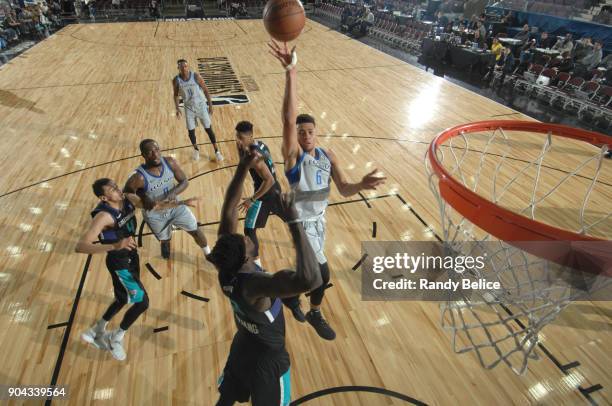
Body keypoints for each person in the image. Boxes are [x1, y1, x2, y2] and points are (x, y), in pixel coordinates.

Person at [269, 40, 386, 340]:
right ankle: (314, 311)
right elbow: (286, 117)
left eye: (310, 132)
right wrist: (291, 71)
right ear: (295, 136)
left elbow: (345, 188)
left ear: (316, 133)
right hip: (299, 223)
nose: (306, 136)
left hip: (320, 222)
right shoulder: (295, 157)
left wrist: (362, 183)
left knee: (307, 276)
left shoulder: (328, 155)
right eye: (301, 132)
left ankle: (291, 297)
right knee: (321, 275)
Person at [208, 149, 323, 406]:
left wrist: (242, 167)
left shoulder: (226, 268)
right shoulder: (254, 285)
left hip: (243, 344)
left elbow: (229, 207)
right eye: (246, 241)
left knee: (227, 397)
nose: (247, 237)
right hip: (268, 360)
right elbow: (310, 280)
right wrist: (294, 222)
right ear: (246, 258)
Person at [76, 178, 197, 360]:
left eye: (116, 185)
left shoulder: (129, 199)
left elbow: (155, 206)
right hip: (119, 261)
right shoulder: (104, 217)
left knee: (122, 298)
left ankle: (97, 329)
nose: (117, 189)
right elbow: (81, 246)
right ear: (103, 197)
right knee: (142, 302)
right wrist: (114, 246)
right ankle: (116, 338)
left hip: (131, 257)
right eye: (112, 189)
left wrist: (182, 203)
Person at [124, 139, 212, 259]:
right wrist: (142, 198)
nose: (155, 155)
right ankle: (165, 244)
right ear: (143, 155)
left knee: (195, 230)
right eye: (150, 152)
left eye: (157, 150)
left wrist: (173, 192)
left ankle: (208, 253)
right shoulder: (138, 177)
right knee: (165, 239)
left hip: (176, 206)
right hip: (155, 214)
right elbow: (127, 192)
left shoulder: (169, 162)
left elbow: (184, 181)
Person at [235, 121, 283, 268]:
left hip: (265, 195)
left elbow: (268, 179)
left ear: (250, 136)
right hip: (275, 190)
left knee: (249, 230)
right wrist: (240, 148)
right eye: (236, 136)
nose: (238, 140)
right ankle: (305, 238)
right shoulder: (260, 144)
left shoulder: (254, 156)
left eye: (241, 137)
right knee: (290, 218)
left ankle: (258, 268)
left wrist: (252, 199)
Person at [173, 59, 224, 162]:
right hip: (189, 108)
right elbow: (175, 95)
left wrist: (210, 105)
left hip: (201, 107)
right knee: (191, 131)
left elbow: (205, 90)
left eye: (185, 66)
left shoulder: (196, 76)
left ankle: (217, 151)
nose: (184, 68)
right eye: (181, 67)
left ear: (188, 67)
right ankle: (196, 149)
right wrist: (177, 108)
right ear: (178, 68)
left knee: (208, 129)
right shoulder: (176, 80)